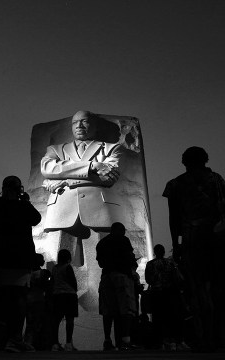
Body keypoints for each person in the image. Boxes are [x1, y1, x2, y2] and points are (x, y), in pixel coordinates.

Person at [163, 147, 225, 352]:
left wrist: (176, 243)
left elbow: (173, 218)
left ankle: (207, 337)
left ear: (184, 162)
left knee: (199, 290)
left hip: (193, 238)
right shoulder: (216, 179)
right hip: (219, 237)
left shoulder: (175, 184)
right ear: (205, 160)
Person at [41, 110, 124, 305]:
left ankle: (98, 301)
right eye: (75, 122)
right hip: (61, 207)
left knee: (100, 260)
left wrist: (65, 179)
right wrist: (93, 167)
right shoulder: (55, 149)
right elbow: (47, 169)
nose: (79, 126)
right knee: (56, 258)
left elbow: (108, 177)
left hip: (98, 208)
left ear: (94, 126)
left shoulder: (112, 148)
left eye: (85, 122)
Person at [0, 176, 41, 353]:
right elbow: (36, 219)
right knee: (17, 299)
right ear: (20, 189)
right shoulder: (23, 206)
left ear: (2, 188)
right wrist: (25, 201)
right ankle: (14, 339)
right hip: (16, 259)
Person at [96, 222, 137, 351]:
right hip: (122, 276)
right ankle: (125, 340)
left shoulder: (101, 243)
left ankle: (107, 340)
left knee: (108, 310)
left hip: (106, 276)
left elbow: (101, 263)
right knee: (126, 308)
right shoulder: (123, 240)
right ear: (120, 230)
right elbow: (130, 257)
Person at [145, 244, 187, 351]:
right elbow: (178, 277)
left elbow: (148, 280)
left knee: (158, 318)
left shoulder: (150, 264)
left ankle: (161, 342)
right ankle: (175, 341)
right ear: (163, 252)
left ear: (155, 252)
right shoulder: (170, 263)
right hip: (170, 293)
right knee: (172, 317)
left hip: (156, 294)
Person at [50, 249, 79, 351]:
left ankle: (54, 343)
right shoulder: (67, 267)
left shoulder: (55, 268)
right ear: (68, 258)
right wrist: (75, 290)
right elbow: (73, 281)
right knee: (70, 319)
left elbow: (52, 282)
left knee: (56, 320)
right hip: (69, 295)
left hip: (57, 295)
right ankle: (68, 343)